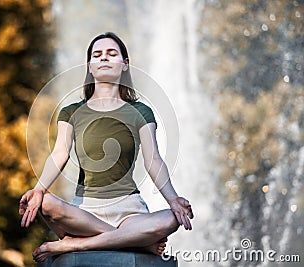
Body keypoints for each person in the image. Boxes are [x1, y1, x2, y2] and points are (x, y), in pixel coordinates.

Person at [19, 32, 194, 263]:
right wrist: (39, 189)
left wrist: (173, 199)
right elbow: (60, 153)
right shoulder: (71, 112)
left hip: (129, 211)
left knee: (171, 219)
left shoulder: (141, 112)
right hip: (85, 211)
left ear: (124, 64)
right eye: (97, 55)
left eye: (112, 54)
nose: (104, 58)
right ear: (90, 66)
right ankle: (137, 242)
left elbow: (153, 159)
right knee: (48, 203)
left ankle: (77, 244)